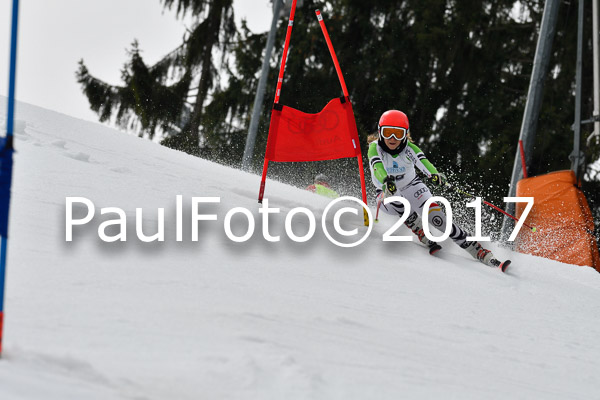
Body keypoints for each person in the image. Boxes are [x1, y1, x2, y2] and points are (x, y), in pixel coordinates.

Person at [368, 109, 508, 270]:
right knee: (394, 195)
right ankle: (418, 228)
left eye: (398, 134)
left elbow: (424, 163)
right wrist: (386, 180)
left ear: (405, 135)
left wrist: (435, 174)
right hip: (385, 194)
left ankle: (477, 250)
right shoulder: (374, 148)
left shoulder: (409, 148)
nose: (392, 138)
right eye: (388, 133)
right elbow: (376, 166)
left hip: (412, 187)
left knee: (437, 219)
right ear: (380, 132)